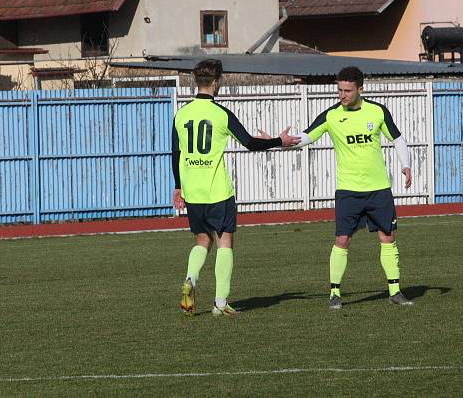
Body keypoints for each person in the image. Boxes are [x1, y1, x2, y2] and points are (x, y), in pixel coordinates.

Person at [173, 59, 300, 316]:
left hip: (192, 190)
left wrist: (178, 187)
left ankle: (191, 280)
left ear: (196, 82)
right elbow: (250, 143)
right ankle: (221, 303)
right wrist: (278, 140)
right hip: (217, 190)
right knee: (225, 242)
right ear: (216, 82)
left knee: (201, 239)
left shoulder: (181, 114)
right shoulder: (221, 114)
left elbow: (175, 153)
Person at [291, 66, 414, 310]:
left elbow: (397, 138)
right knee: (342, 239)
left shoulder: (377, 111)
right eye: (339, 90)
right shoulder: (331, 116)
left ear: (360, 89)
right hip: (348, 191)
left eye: (348, 90)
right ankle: (335, 294)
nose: (342, 95)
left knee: (387, 237)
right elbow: (305, 137)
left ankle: (395, 291)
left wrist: (406, 165)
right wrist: (276, 142)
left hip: (379, 189)